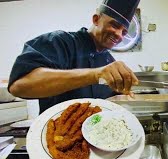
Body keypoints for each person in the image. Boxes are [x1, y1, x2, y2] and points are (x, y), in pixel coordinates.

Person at [8, 0, 140, 114]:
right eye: (114, 25)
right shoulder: (59, 42)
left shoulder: (109, 61)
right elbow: (19, 86)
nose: (119, 35)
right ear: (96, 19)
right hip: (56, 139)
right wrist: (95, 75)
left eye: (124, 32)